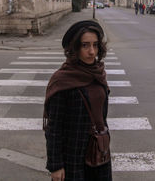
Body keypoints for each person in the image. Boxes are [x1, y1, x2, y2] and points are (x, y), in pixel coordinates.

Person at [44, 20, 112, 181]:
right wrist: (56, 165)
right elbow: (53, 128)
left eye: (95, 45)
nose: (92, 51)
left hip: (98, 151)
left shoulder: (98, 74)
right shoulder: (62, 80)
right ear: (74, 48)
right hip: (73, 156)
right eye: (85, 45)